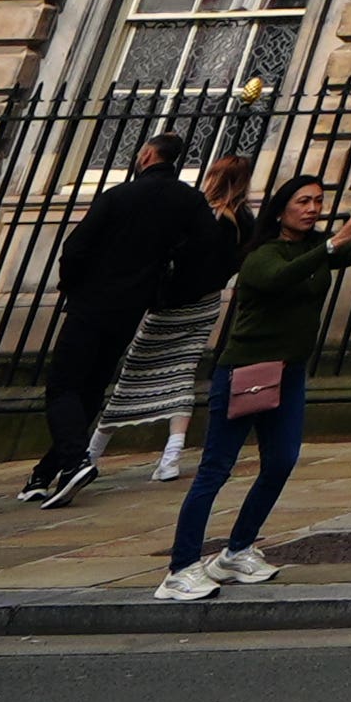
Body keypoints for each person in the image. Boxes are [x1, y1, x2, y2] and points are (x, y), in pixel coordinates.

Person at [155, 174, 351, 602]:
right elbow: (283, 276)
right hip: (246, 371)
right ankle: (180, 568)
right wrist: (336, 242)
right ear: (281, 209)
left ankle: (236, 550)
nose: (313, 208)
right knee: (215, 470)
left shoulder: (308, 249)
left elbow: (334, 257)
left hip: (289, 370)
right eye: (303, 201)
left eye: (318, 201)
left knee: (281, 462)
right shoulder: (261, 255)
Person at [25, 133, 211, 508]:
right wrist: (166, 287)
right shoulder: (189, 199)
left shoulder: (118, 195)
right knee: (93, 386)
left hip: (91, 300)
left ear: (146, 155)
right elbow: (207, 248)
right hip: (134, 305)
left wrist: (72, 284)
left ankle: (77, 460)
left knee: (62, 386)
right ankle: (48, 472)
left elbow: (75, 247)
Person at [113, 156, 255, 483]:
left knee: (135, 369)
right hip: (207, 303)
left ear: (214, 177)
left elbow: (176, 253)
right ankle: (170, 457)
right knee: (183, 372)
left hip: (175, 302)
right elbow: (238, 260)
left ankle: (94, 449)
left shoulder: (204, 214)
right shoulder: (245, 218)